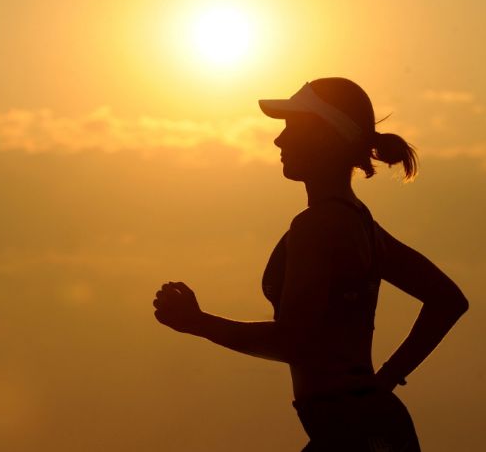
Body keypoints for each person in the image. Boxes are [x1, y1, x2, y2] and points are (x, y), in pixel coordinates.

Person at [151, 77, 469, 451]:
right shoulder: (360, 222)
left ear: (324, 136)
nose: (279, 140)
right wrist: (383, 381)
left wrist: (198, 323)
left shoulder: (318, 226)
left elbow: (294, 341)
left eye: (291, 128)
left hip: (357, 432)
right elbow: (448, 300)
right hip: (361, 426)